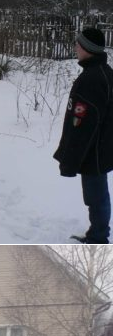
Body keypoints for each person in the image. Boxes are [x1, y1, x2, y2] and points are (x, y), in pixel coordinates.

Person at [53, 25, 113, 242]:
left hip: (93, 151)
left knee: (95, 197)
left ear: (87, 48)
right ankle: (97, 233)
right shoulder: (103, 73)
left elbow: (83, 125)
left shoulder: (91, 80)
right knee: (98, 195)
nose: (75, 46)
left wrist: (70, 159)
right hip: (101, 147)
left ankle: (98, 238)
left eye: (78, 43)